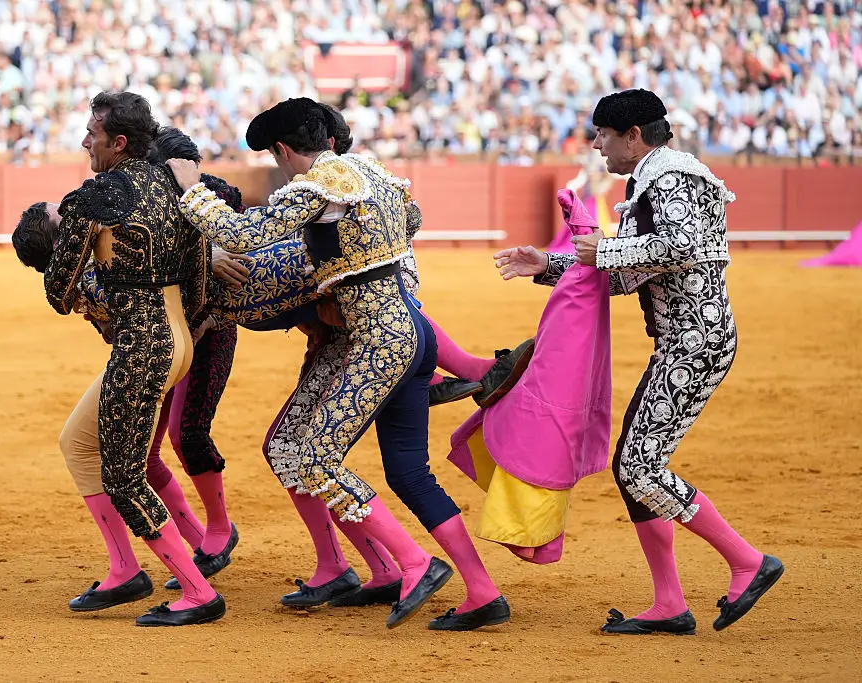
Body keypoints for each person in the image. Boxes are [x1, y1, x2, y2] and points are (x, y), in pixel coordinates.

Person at [169, 98, 510, 631]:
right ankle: (482, 591)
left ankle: (415, 563)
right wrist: (341, 273)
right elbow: (411, 220)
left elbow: (240, 236)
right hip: (409, 330)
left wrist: (192, 190)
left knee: (314, 459)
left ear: (283, 150)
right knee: (404, 472)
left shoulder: (316, 186)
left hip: (377, 342)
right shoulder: (372, 174)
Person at [494, 89, 783, 635]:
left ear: (632, 136)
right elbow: (626, 276)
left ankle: (747, 562)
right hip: (686, 343)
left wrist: (602, 249)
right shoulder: (655, 179)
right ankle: (669, 603)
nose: (596, 145)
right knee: (634, 468)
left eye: (603, 135)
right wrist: (547, 264)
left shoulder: (668, 179)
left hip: (695, 344)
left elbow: (680, 245)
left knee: (639, 468)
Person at [43, 91, 224, 627]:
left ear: (118, 142)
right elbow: (197, 280)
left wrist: (80, 249)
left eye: (92, 134)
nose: (85, 142)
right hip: (178, 339)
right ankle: (124, 568)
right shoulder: (171, 185)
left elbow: (59, 291)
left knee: (124, 476)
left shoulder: (96, 198)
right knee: (78, 442)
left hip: (142, 345)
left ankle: (197, 592)